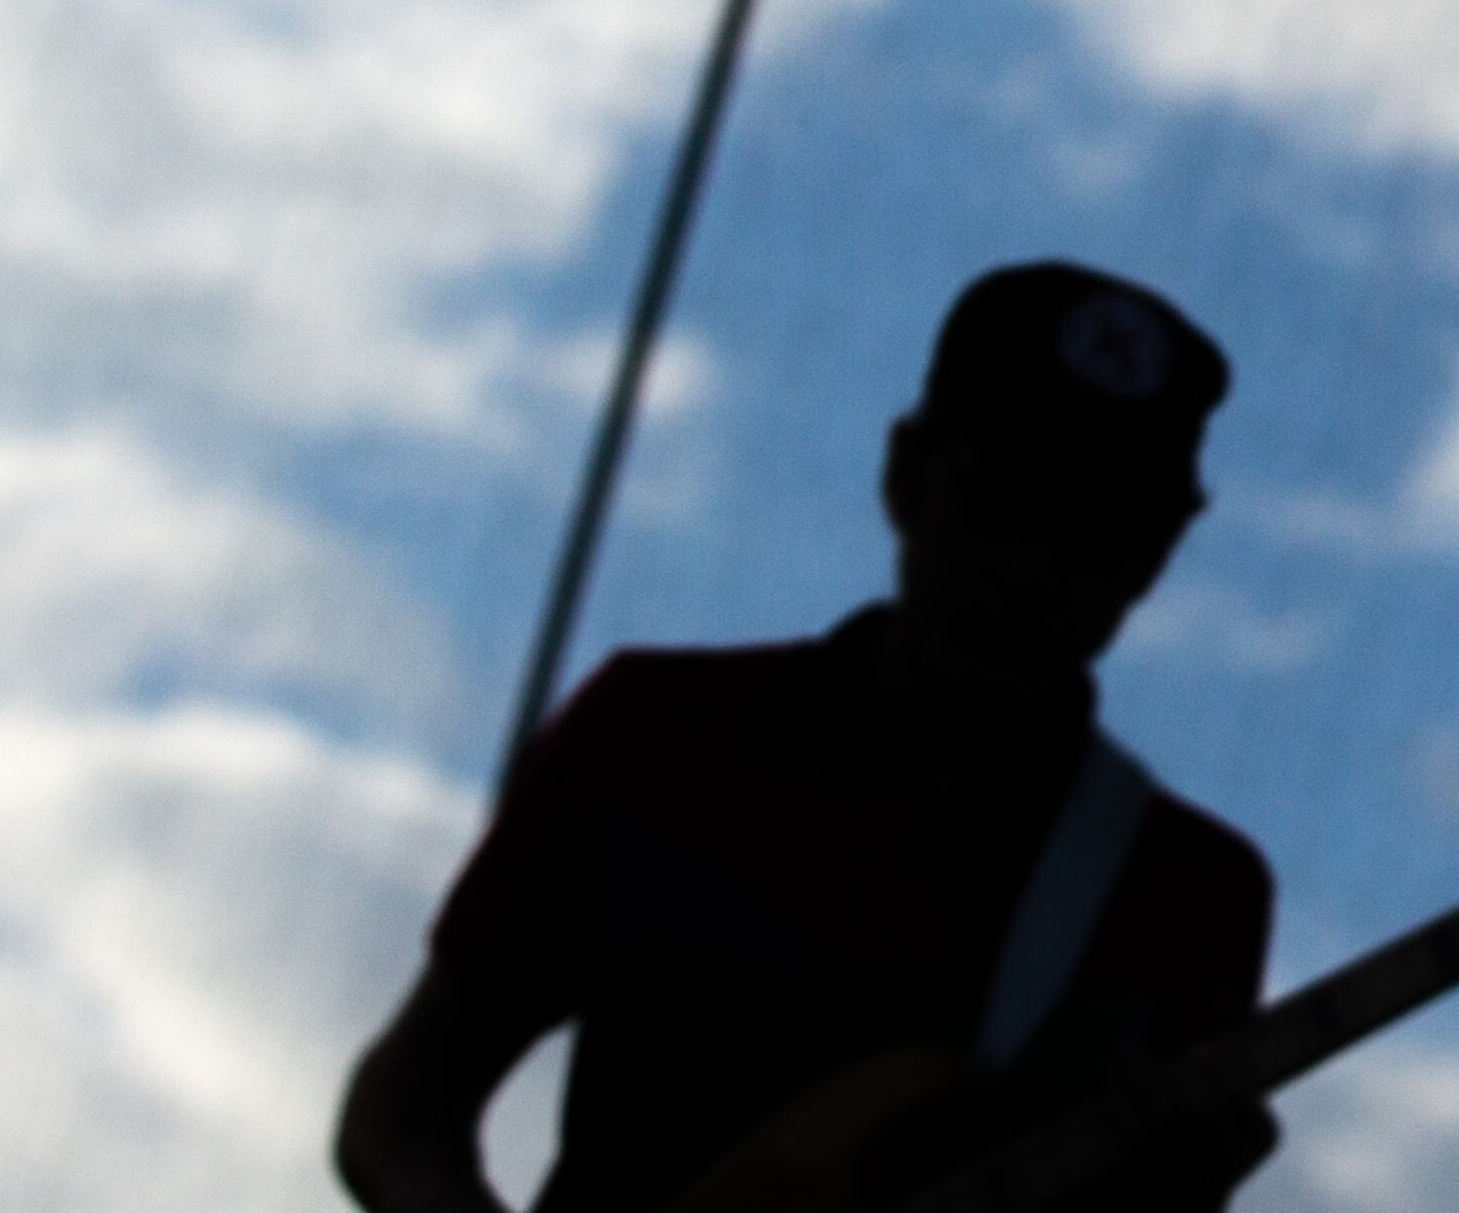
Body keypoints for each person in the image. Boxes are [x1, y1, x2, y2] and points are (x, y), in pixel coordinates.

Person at [337, 262, 1281, 1213]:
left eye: (1113, 524)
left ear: (1159, 556)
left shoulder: (1189, 897)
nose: (1046, 557)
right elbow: (402, 1115)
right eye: (1013, 490)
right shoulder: (654, 734)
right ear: (907, 477)